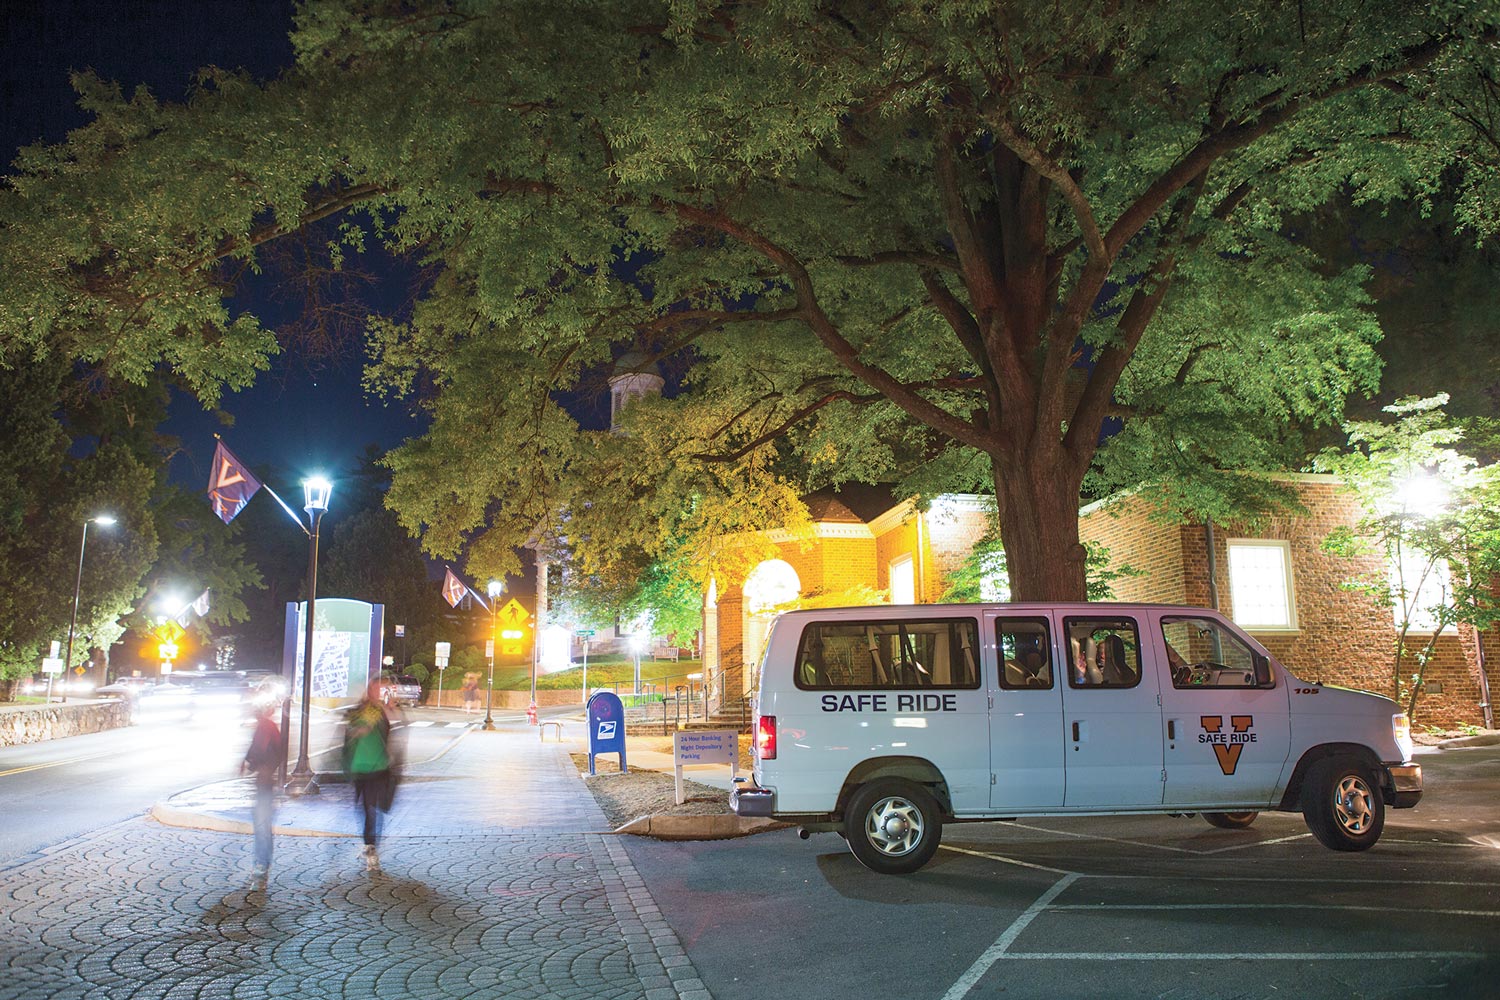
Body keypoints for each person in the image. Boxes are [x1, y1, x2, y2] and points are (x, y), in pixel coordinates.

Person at [343, 677, 403, 872]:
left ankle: (371, 847)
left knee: (371, 808)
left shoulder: (382, 711)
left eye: (382, 690)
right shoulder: (359, 711)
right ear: (369, 690)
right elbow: (348, 733)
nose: (379, 693)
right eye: (376, 689)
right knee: (364, 808)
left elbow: (391, 733)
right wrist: (358, 731)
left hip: (379, 767)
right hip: (361, 767)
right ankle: (369, 844)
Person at [241, 690, 282, 889]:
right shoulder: (265, 726)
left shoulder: (267, 727)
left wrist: (261, 767)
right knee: (261, 824)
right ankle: (261, 865)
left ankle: (261, 866)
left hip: (265, 782)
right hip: (263, 781)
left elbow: (269, 752)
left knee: (262, 825)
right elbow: (256, 750)